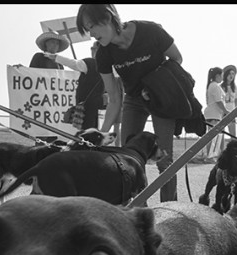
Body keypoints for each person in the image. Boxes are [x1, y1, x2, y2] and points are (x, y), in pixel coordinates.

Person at [76, 4, 182, 202]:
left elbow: (177, 58)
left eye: (91, 26)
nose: (91, 34)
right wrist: (98, 136)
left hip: (161, 98)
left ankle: (169, 210)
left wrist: (156, 85)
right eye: (87, 29)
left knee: (164, 160)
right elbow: (114, 98)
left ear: (107, 17)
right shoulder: (103, 54)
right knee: (127, 158)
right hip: (133, 100)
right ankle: (138, 211)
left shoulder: (150, 30)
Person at [45, 41, 105, 130]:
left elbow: (74, 64)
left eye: (93, 48)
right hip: (100, 106)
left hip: (86, 107)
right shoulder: (108, 67)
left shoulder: (90, 63)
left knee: (85, 133)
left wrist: (56, 57)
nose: (91, 50)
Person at [201, 67, 230, 163]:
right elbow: (218, 101)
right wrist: (226, 111)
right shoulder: (215, 86)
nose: (222, 78)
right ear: (217, 76)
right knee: (213, 136)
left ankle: (214, 156)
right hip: (213, 114)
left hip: (214, 114)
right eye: (221, 76)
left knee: (216, 136)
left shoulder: (212, 85)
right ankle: (210, 157)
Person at [221, 64, 237, 137]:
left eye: (233, 74)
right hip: (222, 113)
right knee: (220, 135)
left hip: (232, 113)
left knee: (233, 135)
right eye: (229, 74)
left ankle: (233, 148)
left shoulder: (234, 87)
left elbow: (236, 101)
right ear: (225, 75)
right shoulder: (221, 87)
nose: (231, 76)